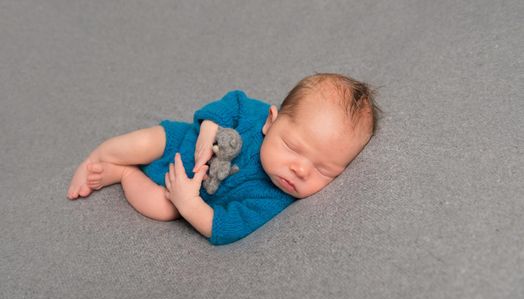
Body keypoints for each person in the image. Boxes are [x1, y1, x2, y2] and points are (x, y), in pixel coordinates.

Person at [67, 73, 380, 245]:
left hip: (184, 191)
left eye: (324, 170)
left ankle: (123, 175)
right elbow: (233, 101)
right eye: (294, 148)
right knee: (144, 141)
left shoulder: (272, 197)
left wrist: (188, 203)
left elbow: (227, 227)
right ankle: (98, 157)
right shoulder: (256, 115)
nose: (300, 169)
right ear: (272, 121)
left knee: (162, 208)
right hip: (181, 141)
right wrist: (209, 128)